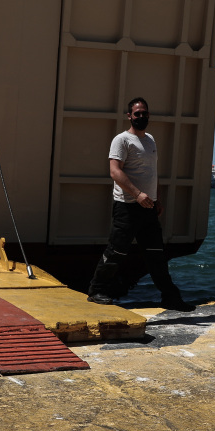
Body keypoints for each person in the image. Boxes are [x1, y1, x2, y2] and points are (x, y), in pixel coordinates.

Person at [86, 98, 194, 312]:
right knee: (116, 251)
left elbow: (152, 173)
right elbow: (115, 171)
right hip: (127, 206)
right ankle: (97, 290)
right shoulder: (122, 140)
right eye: (137, 114)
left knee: (156, 254)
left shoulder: (150, 140)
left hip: (149, 207)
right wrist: (137, 194)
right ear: (129, 116)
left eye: (144, 113)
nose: (141, 117)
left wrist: (157, 200)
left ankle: (169, 297)